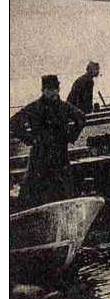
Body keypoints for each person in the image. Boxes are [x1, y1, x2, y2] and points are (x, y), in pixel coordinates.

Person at [10, 75, 86, 209]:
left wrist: (70, 136)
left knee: (63, 188)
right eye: (50, 90)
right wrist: (30, 139)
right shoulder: (34, 108)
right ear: (43, 90)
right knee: (34, 189)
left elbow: (81, 118)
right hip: (40, 154)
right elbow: (13, 123)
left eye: (56, 89)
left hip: (60, 154)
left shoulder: (64, 107)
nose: (54, 93)